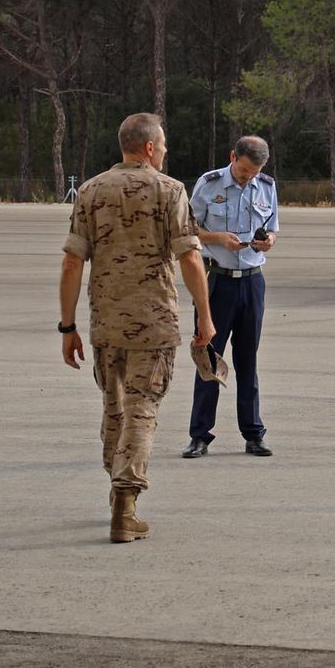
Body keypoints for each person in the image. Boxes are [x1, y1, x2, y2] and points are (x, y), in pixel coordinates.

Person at [59, 113, 213, 543]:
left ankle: (115, 491)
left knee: (114, 406)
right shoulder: (170, 191)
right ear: (149, 148)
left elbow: (72, 261)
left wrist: (67, 325)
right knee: (142, 409)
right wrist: (204, 314)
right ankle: (125, 502)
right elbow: (190, 258)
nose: (164, 151)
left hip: (106, 322)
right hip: (155, 323)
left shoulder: (90, 191)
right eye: (162, 145)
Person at [182, 135, 280, 459]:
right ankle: (199, 436)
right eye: (243, 171)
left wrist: (268, 242)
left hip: (252, 283)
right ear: (232, 157)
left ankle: (253, 434)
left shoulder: (266, 185)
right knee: (208, 357)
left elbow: (273, 228)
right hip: (215, 281)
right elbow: (188, 228)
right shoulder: (209, 184)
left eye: (253, 173)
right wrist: (218, 238)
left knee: (248, 360)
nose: (248, 177)